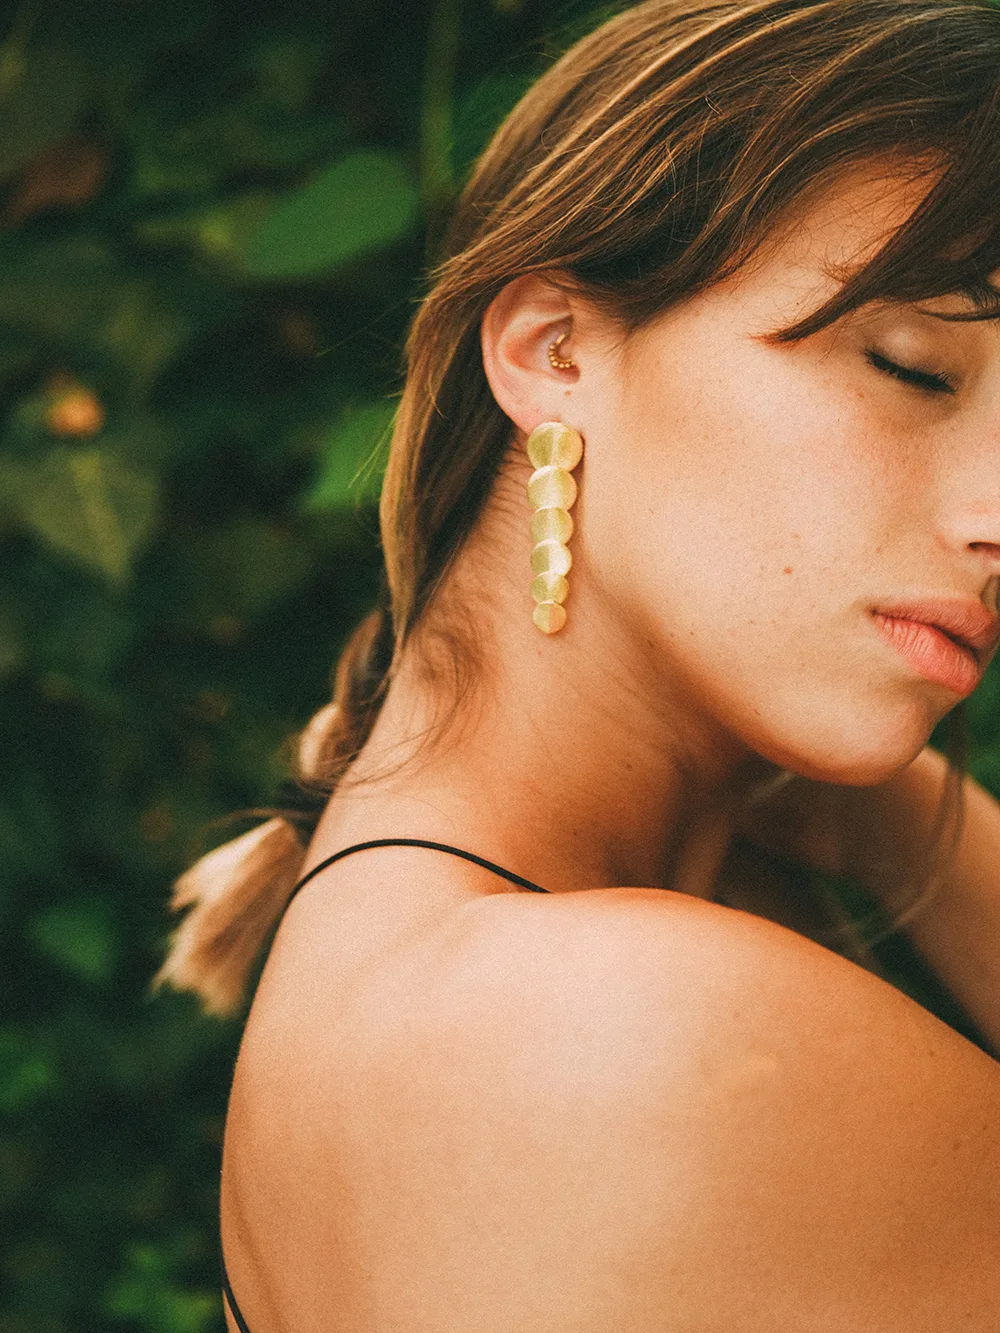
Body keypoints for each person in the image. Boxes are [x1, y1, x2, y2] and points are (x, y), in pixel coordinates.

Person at [156, 0, 1000, 1326]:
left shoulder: (418, 953)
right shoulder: (642, 1027)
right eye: (911, 369)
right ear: (554, 349)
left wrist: (885, 817)